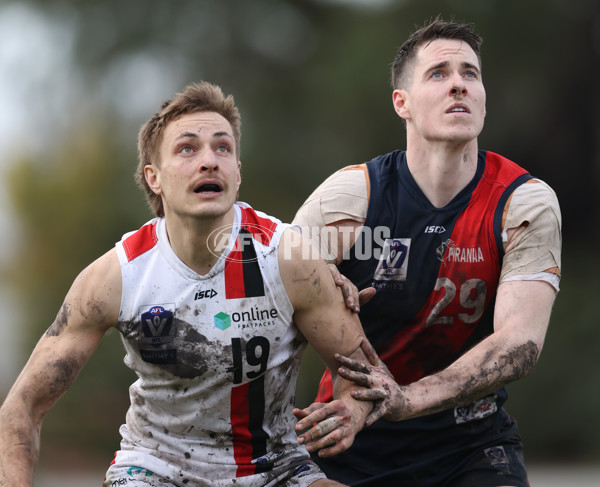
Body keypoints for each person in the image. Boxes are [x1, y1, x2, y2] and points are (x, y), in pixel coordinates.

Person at [0, 82, 374, 487]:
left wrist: (349, 413)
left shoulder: (289, 259)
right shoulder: (116, 276)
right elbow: (22, 404)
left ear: (237, 172)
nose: (210, 161)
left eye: (223, 148)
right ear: (154, 178)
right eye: (188, 148)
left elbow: (361, 374)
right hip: (155, 468)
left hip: (276, 466)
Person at [292, 18, 562, 487]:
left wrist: (407, 399)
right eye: (438, 73)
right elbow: (264, 310)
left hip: (471, 442)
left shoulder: (523, 202)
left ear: (482, 98)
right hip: (351, 435)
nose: (458, 84)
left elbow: (520, 343)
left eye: (470, 74)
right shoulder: (350, 198)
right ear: (403, 103)